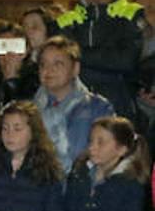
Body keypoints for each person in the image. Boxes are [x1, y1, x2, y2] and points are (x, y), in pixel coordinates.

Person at [56, 0, 146, 118]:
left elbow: (126, 61)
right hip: (73, 107)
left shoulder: (132, 13)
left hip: (118, 107)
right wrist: (106, 58)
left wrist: (76, 53)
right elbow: (60, 63)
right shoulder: (65, 20)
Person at [34, 36, 115, 170]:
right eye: (43, 64)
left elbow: (109, 159)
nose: (48, 70)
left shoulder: (98, 108)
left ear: (75, 68)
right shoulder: (30, 111)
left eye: (58, 64)